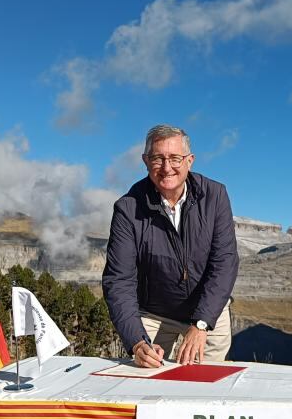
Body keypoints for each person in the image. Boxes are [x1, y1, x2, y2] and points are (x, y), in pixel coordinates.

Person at [102, 124, 239, 367]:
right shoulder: (127, 209)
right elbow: (119, 280)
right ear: (145, 161)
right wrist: (137, 341)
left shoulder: (215, 196)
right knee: (146, 377)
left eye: (175, 158)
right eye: (158, 158)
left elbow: (224, 263)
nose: (167, 168)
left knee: (205, 385)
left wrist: (202, 322)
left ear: (190, 161)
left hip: (207, 312)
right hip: (153, 314)